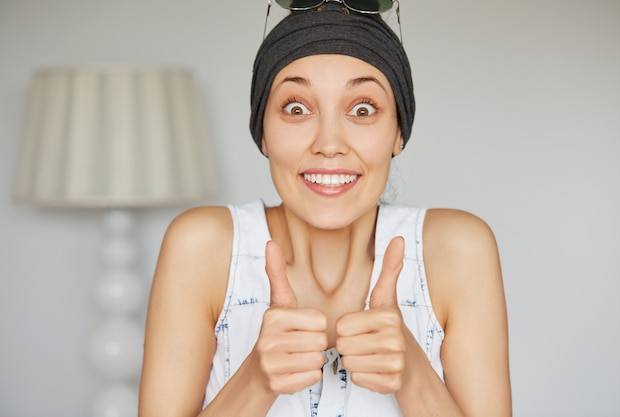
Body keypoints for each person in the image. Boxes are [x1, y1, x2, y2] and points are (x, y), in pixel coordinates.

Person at [138, 1, 512, 416]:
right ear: (263, 132)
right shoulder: (203, 247)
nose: (329, 142)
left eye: (363, 109)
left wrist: (415, 378)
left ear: (398, 134)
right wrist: (255, 382)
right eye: (297, 108)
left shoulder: (457, 252)